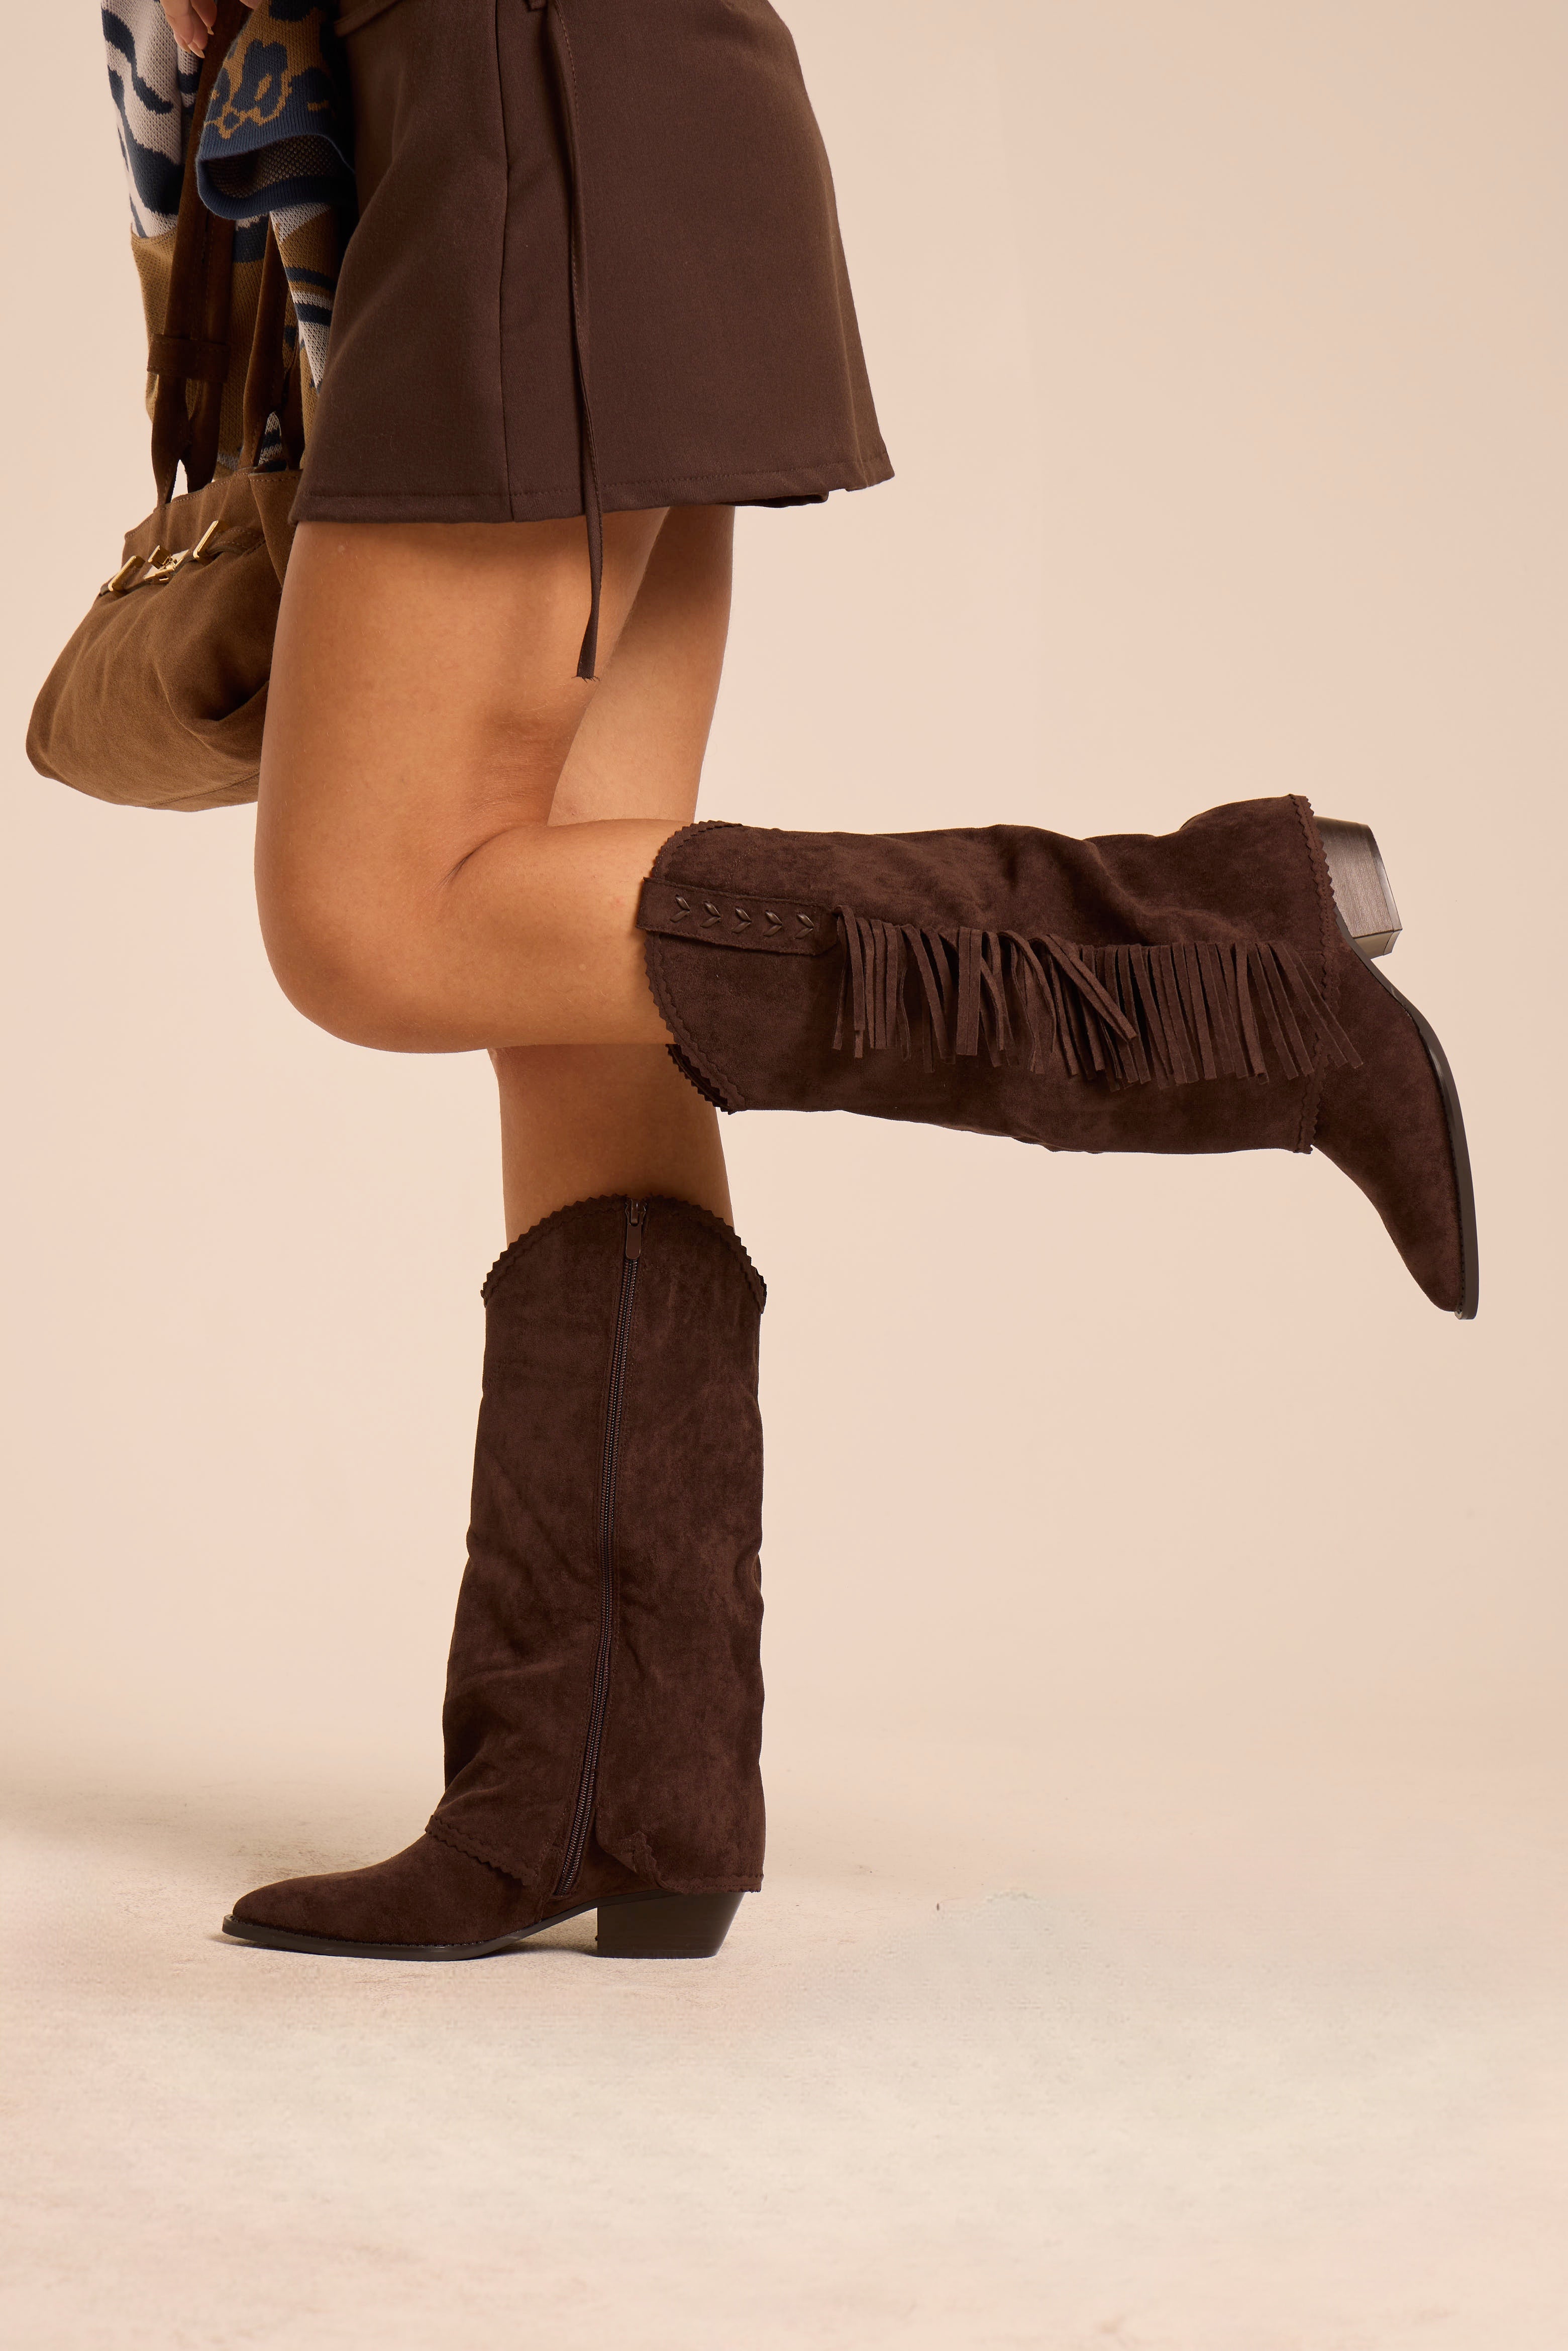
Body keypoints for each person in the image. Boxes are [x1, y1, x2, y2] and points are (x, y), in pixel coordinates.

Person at [151, 0, 1476, 1964]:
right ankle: (609, 1783)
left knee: (370, 914)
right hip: (577, 113)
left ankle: (1213, 949)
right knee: (572, 1007)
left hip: (523, 107)